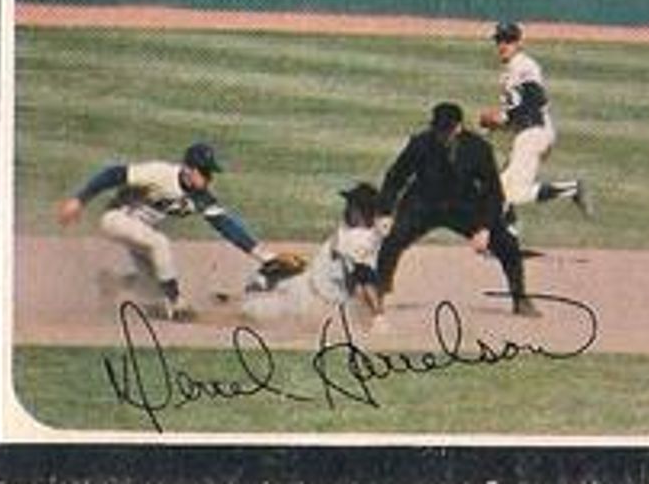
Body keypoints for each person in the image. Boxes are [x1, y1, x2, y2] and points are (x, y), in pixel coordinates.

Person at [56, 142, 281, 321]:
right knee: (160, 244)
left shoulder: (201, 197)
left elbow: (227, 226)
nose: (208, 178)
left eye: (210, 173)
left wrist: (266, 257)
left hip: (141, 232)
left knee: (154, 288)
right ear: (188, 169)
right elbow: (114, 174)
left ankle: (113, 282)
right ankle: (177, 304)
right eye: (203, 172)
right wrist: (79, 200)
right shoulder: (160, 173)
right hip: (115, 219)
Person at [376, 101, 540, 317]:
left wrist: (484, 228)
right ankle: (378, 292)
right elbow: (395, 177)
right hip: (424, 203)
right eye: (438, 129)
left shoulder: (478, 148)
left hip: (463, 205)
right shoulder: (420, 143)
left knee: (507, 243)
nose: (442, 134)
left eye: (447, 129)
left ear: (458, 127)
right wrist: (385, 212)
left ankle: (520, 299)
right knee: (392, 240)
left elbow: (493, 192)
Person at [478, 21, 591, 234]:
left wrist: (500, 118)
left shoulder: (524, 66)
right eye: (499, 40)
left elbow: (534, 101)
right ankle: (510, 236)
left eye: (509, 40)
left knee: (514, 193)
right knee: (497, 191)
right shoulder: (510, 70)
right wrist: (493, 125)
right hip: (527, 134)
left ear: (519, 43)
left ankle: (571, 188)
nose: (503, 45)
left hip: (534, 133)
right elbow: (516, 113)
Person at [243, 182, 388, 330]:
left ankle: (262, 293)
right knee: (285, 269)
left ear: (357, 211)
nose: (346, 209)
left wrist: (377, 314)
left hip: (308, 300)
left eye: (350, 204)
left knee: (254, 303)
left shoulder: (356, 239)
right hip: (316, 292)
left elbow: (364, 275)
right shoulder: (363, 233)